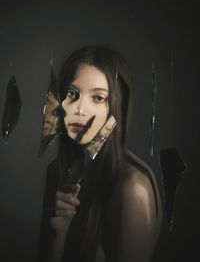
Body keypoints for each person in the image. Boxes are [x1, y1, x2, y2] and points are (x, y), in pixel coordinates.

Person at [38, 45, 163, 262]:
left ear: (117, 107)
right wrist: (56, 236)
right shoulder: (56, 173)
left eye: (98, 98)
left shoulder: (133, 189)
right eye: (72, 93)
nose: (79, 109)